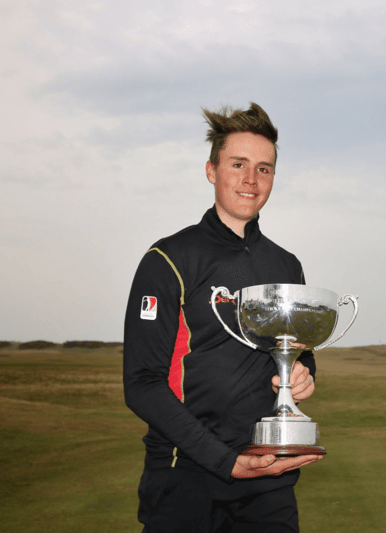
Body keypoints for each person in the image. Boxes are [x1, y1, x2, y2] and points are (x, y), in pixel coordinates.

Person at [123, 103, 322, 532]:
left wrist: (303, 373)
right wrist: (225, 461)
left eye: (264, 169)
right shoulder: (169, 259)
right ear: (212, 170)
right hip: (185, 475)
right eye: (238, 164)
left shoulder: (288, 266)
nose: (251, 180)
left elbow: (298, 353)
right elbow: (142, 385)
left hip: (269, 478)